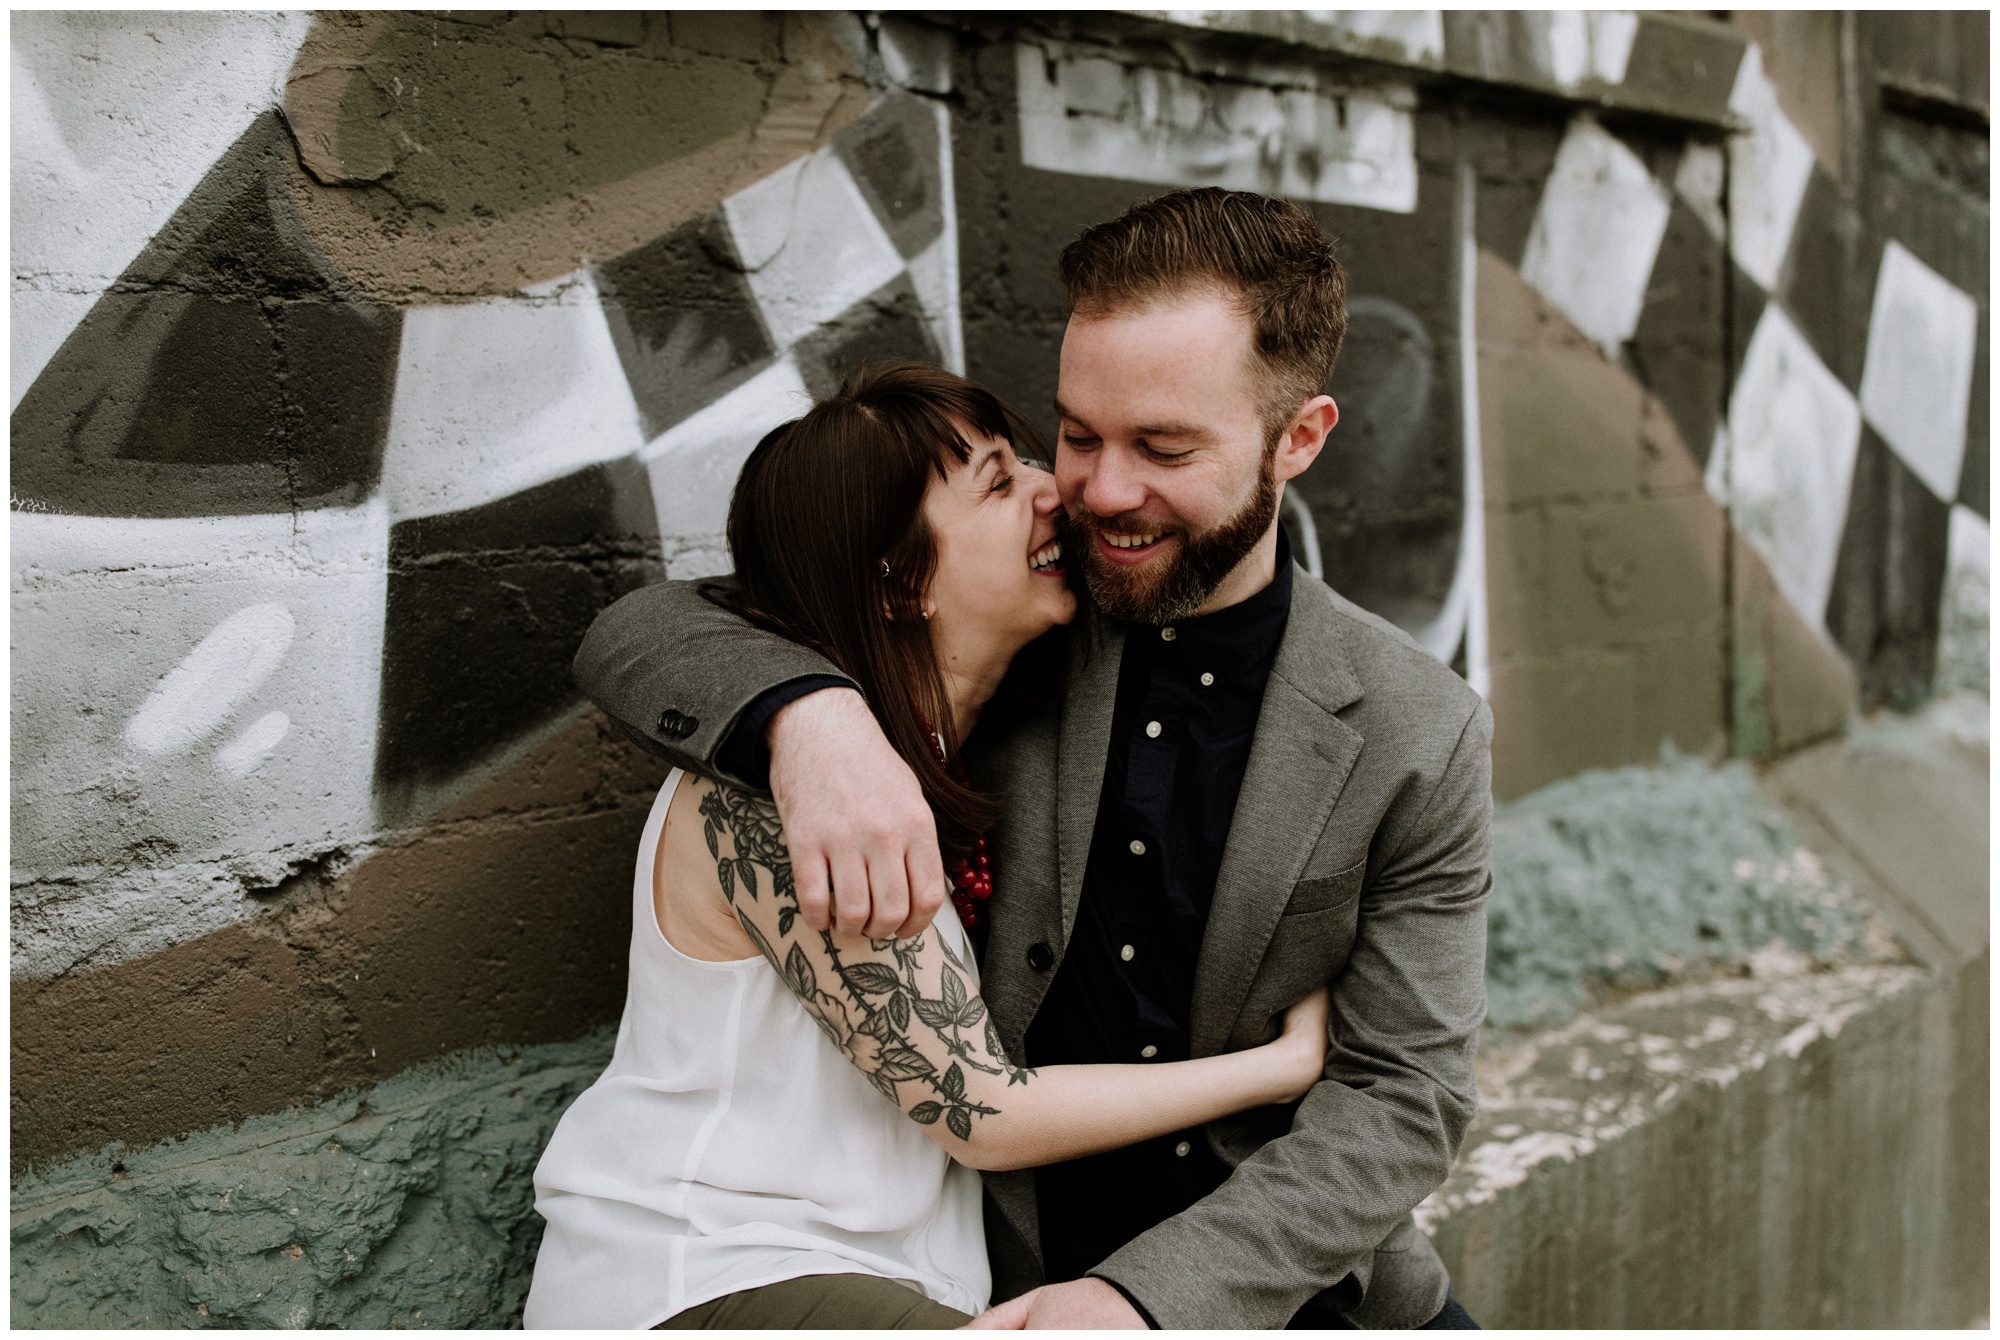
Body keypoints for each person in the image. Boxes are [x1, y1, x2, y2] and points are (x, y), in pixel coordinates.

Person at [573, 188, 1493, 1329]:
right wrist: (808, 717)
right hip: (1002, 1269)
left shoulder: (1418, 726)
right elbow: (646, 626)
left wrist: (1148, 1298)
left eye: (1161, 447)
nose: (1097, 490)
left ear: (1295, 438)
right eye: (1077, 433)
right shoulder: (1018, 622)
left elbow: (1405, 1095)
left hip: (1280, 1280)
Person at [523, 360, 1334, 1330]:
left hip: (889, 1287)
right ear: (900, 580)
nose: (1053, 491)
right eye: (999, 481)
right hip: (710, 1275)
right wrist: (1279, 1065)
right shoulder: (785, 794)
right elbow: (977, 1110)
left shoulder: (951, 756)